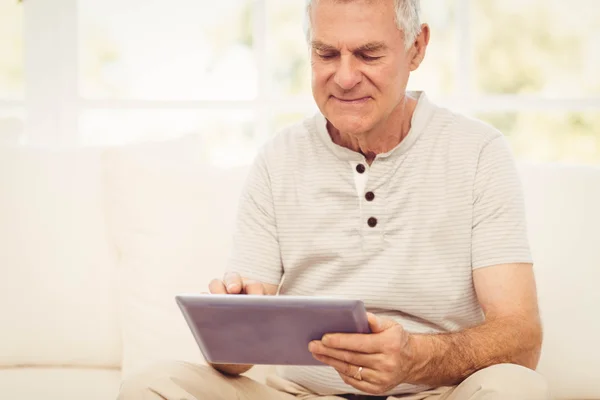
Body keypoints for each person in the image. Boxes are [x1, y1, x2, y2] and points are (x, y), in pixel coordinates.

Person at [118, 0, 549, 399]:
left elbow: (522, 338)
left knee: (518, 389)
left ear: (416, 49)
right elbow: (234, 363)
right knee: (151, 387)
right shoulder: (278, 159)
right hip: (300, 395)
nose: (344, 77)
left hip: (436, 394)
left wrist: (416, 357)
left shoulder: (477, 152)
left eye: (367, 54)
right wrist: (236, 325)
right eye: (326, 54)